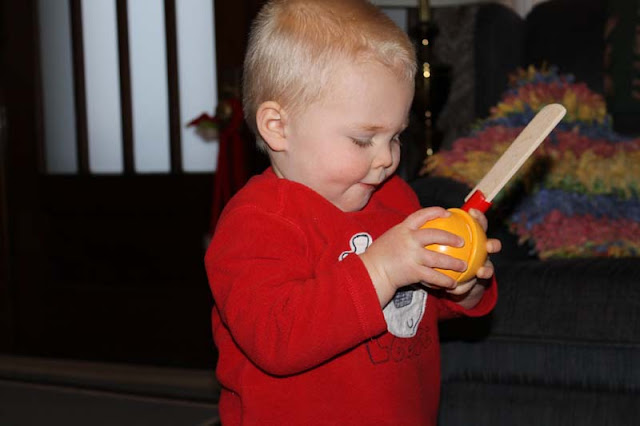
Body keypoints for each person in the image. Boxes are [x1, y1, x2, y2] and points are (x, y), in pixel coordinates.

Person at [204, 0, 501, 424]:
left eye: (395, 137)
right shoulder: (255, 222)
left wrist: (461, 285)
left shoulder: (397, 200)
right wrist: (380, 269)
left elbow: (416, 310)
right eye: (364, 139)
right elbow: (277, 339)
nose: (387, 159)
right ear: (278, 127)